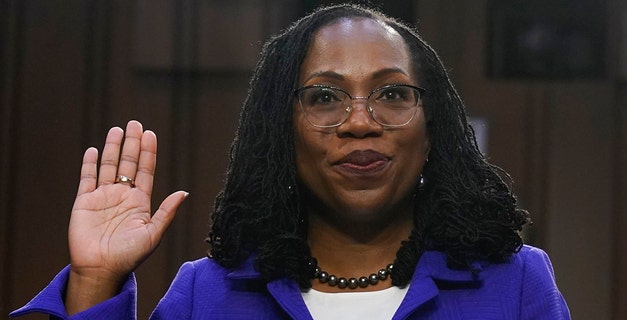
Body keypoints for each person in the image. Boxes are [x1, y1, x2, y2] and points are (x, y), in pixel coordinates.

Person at [10, 3, 570, 319]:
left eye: (392, 93)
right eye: (325, 96)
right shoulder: (206, 295)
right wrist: (94, 281)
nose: (359, 120)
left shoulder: (518, 283)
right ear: (283, 134)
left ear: (433, 132)